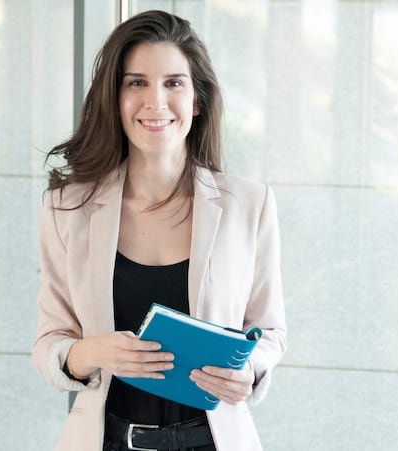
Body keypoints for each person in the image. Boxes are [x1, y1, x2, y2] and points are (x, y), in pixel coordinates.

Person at [32, 10, 287, 451]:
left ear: (197, 100)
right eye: (136, 83)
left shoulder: (250, 204)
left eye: (173, 83)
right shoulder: (67, 207)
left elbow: (269, 332)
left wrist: (249, 370)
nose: (155, 102)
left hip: (215, 440)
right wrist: (95, 352)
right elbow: (50, 341)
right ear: (115, 98)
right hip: (107, 441)